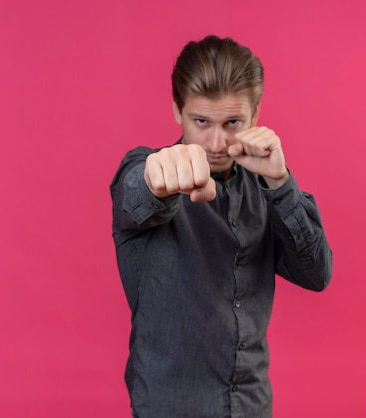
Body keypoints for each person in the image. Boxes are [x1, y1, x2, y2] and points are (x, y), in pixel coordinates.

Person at [110, 34, 333, 418]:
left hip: (252, 406)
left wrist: (281, 184)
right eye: (201, 121)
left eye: (233, 122)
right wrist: (155, 179)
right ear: (177, 111)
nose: (216, 142)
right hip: (170, 408)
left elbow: (317, 273)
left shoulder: (267, 186)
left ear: (256, 115)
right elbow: (137, 193)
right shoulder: (148, 169)